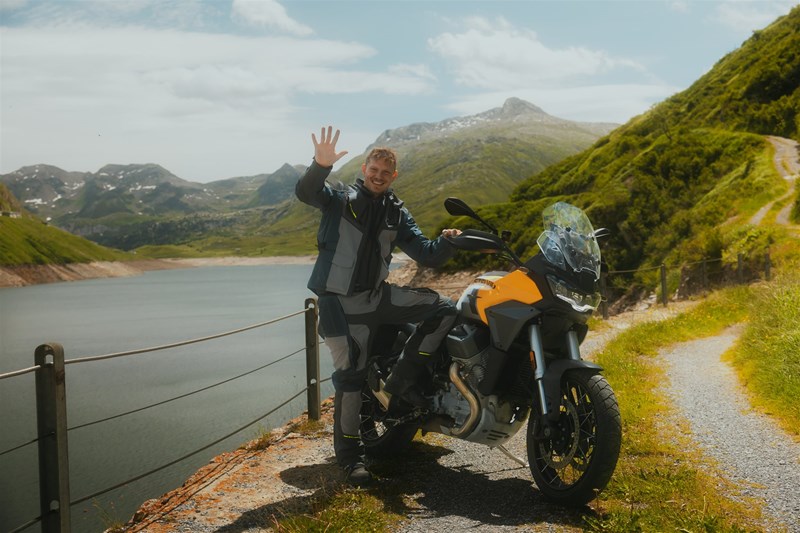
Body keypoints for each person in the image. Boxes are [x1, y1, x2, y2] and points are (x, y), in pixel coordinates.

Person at [295, 126, 461, 487]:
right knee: (350, 378)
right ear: (365, 167)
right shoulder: (339, 198)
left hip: (377, 297)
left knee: (445, 307)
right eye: (374, 169)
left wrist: (447, 241)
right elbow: (307, 192)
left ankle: (402, 380)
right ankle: (350, 459)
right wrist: (320, 165)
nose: (378, 176)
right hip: (338, 304)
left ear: (393, 176)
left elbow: (426, 254)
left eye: (386, 173)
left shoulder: (396, 212)